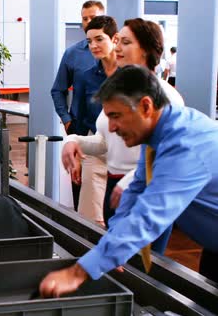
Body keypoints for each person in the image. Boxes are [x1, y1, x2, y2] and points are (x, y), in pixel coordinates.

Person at [40, 65, 218, 298]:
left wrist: (78, 273)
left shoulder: (185, 147)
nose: (112, 128)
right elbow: (136, 190)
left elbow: (149, 216)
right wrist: (113, 242)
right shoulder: (158, 132)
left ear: (145, 106)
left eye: (116, 116)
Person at [63, 19, 184, 254]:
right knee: (124, 272)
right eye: (118, 41)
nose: (117, 47)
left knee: (142, 274)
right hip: (115, 190)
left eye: (126, 42)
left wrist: (130, 182)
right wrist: (73, 141)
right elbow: (105, 143)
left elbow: (169, 159)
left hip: (148, 195)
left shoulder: (166, 97)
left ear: (147, 50)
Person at [50, 0, 105, 210]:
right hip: (81, 129)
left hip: (110, 133)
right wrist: (66, 120)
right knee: (79, 184)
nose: (89, 22)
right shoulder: (72, 54)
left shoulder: (117, 57)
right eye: (85, 18)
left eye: (93, 17)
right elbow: (58, 90)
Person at [66, 15, 118, 225]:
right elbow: (77, 114)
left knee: (118, 218)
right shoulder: (86, 76)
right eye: (89, 41)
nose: (94, 45)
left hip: (125, 151)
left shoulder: (131, 75)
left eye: (99, 39)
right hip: (94, 149)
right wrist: (75, 149)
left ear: (114, 39)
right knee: (90, 219)